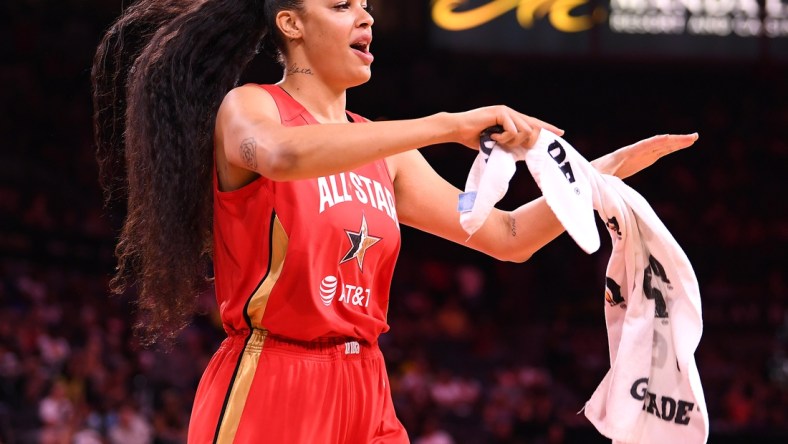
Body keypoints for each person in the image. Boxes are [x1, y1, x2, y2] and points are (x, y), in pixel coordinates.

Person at [91, 0, 698, 442]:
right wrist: (449, 125)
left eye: (367, 5)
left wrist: (597, 181)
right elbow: (281, 156)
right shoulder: (252, 107)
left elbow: (507, 237)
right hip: (274, 376)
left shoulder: (382, 150)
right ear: (291, 24)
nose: (367, 16)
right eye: (341, 5)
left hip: (366, 385)